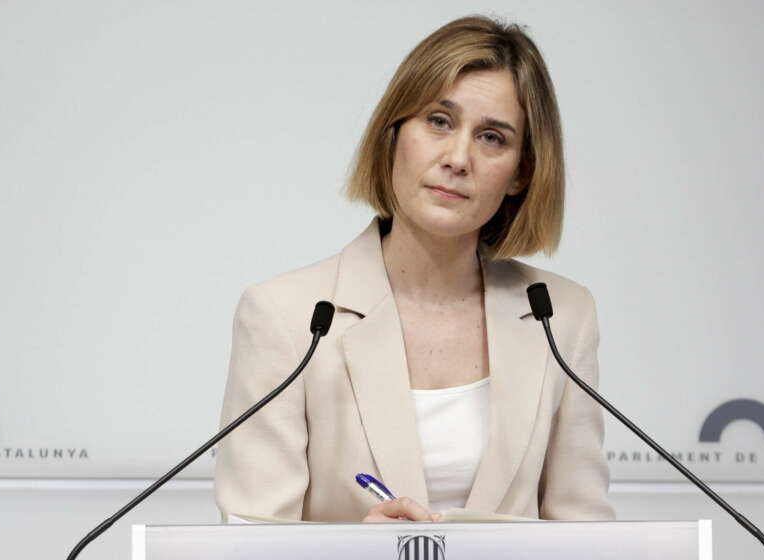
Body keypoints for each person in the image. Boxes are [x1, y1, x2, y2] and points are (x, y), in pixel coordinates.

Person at [214, 15, 614, 524]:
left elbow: (590, 546)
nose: (458, 158)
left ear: (521, 174)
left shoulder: (561, 317)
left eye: (492, 137)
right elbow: (248, 551)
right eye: (439, 121)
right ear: (394, 134)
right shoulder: (285, 317)